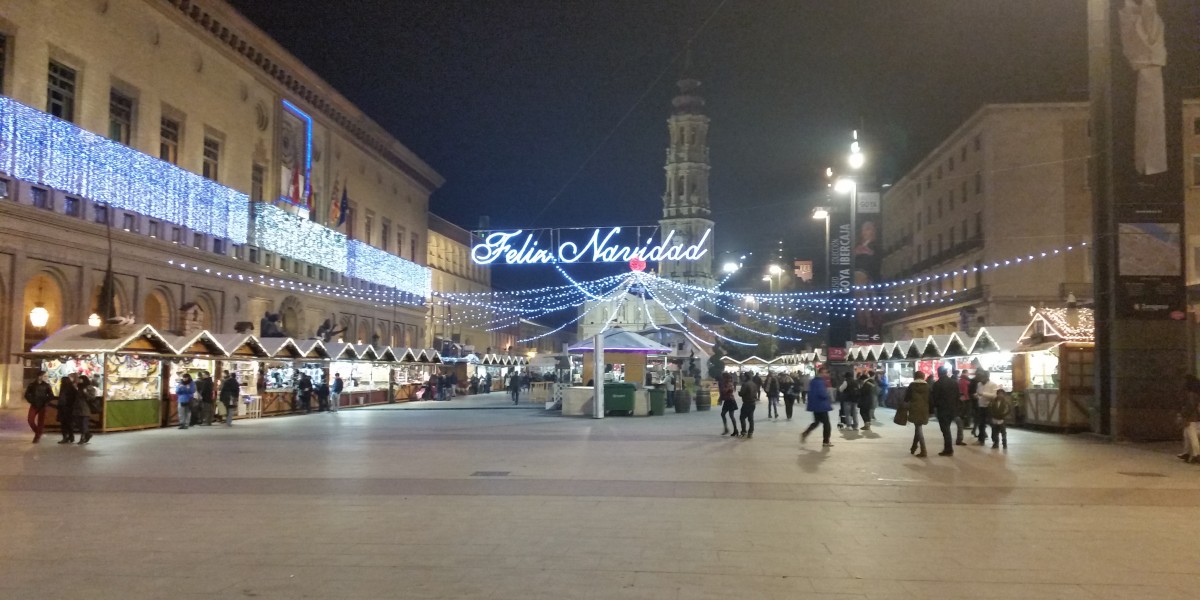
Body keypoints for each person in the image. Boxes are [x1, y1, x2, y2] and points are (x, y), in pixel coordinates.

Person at [801, 367, 834, 447]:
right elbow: (822, 394)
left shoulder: (813, 381)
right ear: (820, 373)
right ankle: (826, 441)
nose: (826, 374)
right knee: (827, 424)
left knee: (817, 422)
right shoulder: (820, 382)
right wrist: (827, 396)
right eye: (824, 373)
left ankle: (806, 432)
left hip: (815, 405)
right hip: (821, 406)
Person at [930, 366, 959, 456]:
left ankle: (948, 449)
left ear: (938, 373)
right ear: (946, 372)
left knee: (945, 430)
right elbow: (957, 395)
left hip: (942, 409)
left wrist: (935, 407)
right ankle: (948, 448)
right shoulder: (954, 382)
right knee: (947, 428)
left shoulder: (937, 384)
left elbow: (934, 397)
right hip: (952, 408)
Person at [904, 371, 930, 457]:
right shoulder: (927, 386)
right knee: (918, 427)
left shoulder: (912, 386)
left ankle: (923, 450)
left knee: (918, 428)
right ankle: (914, 447)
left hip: (914, 408)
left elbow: (906, 398)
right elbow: (931, 399)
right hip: (924, 409)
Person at [24, 373, 54, 443]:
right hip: (34, 404)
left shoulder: (46, 385)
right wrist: (31, 400)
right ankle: (38, 432)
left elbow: (51, 395)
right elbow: (27, 394)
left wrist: (46, 402)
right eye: (44, 376)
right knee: (30, 420)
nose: (46, 377)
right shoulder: (32, 385)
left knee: (41, 422)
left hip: (42, 405)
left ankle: (37, 436)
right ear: (39, 376)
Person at [974, 369, 1001, 444]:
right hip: (981, 406)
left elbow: (994, 396)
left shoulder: (993, 384)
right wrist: (977, 395)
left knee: (992, 424)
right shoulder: (979, 384)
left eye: (981, 377)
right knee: (981, 424)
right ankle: (981, 439)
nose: (980, 379)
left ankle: (995, 440)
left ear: (986, 377)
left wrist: (983, 394)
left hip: (990, 406)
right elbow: (978, 393)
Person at [1178, 375, 1200, 462]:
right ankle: (1186, 453)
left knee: (1192, 435)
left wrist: (1184, 415)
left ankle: (1196, 454)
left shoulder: (1191, 395)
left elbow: (1190, 406)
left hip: (1191, 418)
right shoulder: (1196, 394)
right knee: (1187, 434)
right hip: (1195, 417)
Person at [56, 372, 80, 444]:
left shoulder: (63, 389)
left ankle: (65, 437)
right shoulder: (72, 388)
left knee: (64, 424)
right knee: (69, 424)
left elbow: (61, 400)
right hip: (70, 409)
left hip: (64, 409)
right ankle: (71, 436)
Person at [76, 375, 98, 445]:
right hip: (77, 408)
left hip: (85, 408)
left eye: (80, 379)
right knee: (79, 424)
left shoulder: (89, 387)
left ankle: (82, 438)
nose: (79, 381)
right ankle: (88, 434)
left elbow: (92, 397)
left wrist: (86, 393)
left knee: (84, 424)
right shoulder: (78, 387)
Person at [738, 372, 759, 438]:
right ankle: (750, 432)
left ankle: (743, 431)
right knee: (751, 418)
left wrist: (739, 393)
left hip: (746, 402)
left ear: (746, 377)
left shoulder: (745, 384)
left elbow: (742, 393)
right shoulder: (754, 384)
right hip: (753, 403)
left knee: (742, 417)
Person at [955, 370, 972, 446]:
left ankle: (959, 439)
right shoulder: (965, 381)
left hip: (959, 402)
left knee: (959, 420)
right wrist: (967, 397)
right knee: (961, 420)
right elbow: (965, 391)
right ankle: (959, 439)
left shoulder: (959, 381)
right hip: (964, 401)